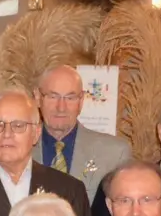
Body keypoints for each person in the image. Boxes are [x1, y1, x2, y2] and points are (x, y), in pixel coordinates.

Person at [32, 65, 132, 201]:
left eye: (70, 98)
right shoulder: (19, 150)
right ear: (38, 98)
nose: (61, 107)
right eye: (53, 96)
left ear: (81, 101)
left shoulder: (114, 155)